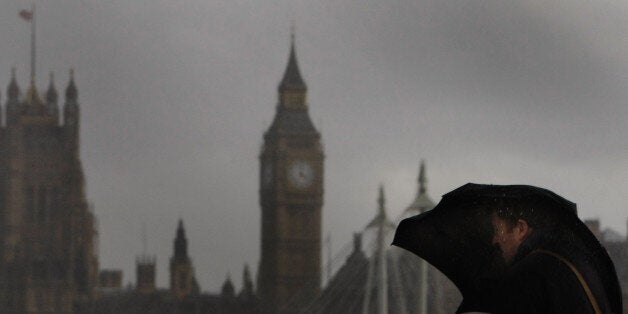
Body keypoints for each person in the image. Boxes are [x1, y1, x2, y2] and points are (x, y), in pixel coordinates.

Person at [488, 203, 612, 314]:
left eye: (498, 230)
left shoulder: (527, 274)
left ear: (521, 229)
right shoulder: (575, 259)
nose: (495, 240)